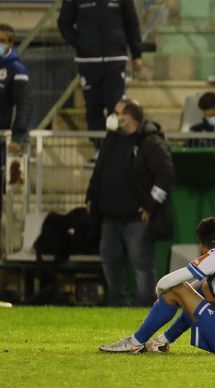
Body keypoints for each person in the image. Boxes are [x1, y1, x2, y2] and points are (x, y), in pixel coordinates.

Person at [99, 217, 215, 354]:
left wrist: (161, 294)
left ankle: (134, 343)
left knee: (179, 290)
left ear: (204, 248)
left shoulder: (214, 256)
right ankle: (162, 342)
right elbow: (195, 294)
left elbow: (165, 283)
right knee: (199, 291)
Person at [86, 100, 175, 306]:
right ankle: (117, 304)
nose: (113, 117)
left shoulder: (150, 141)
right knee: (110, 263)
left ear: (129, 117)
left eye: (117, 113)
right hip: (109, 218)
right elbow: (99, 170)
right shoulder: (112, 138)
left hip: (136, 218)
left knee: (142, 266)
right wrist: (91, 196)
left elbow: (166, 174)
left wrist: (151, 204)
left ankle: (145, 307)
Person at [58, 0, 143, 157]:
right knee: (93, 107)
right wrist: (81, 42)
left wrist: (137, 53)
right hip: (88, 62)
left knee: (116, 106)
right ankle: (99, 149)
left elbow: (131, 23)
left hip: (115, 59)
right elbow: (64, 24)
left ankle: (116, 149)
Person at [0, 23, 31, 154]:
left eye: (2, 41)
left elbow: (25, 105)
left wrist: (17, 136)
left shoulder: (17, 70)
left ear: (10, 43)